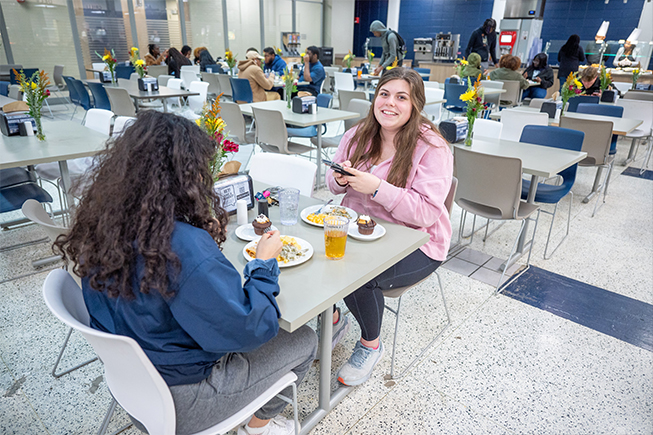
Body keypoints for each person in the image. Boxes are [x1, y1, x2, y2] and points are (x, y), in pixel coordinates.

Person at [54, 111, 317, 435]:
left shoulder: (102, 226)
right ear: (189, 175)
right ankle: (259, 425)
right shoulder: (183, 248)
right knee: (304, 338)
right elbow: (253, 328)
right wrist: (263, 265)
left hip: (133, 385)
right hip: (183, 401)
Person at [325, 68, 453, 387]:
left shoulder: (432, 147)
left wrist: (376, 188)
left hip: (417, 243)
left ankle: (371, 344)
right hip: (360, 232)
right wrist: (339, 178)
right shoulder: (357, 135)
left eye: (401, 97)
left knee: (358, 277)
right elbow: (332, 182)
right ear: (374, 97)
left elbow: (425, 213)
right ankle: (335, 319)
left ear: (415, 105)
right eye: (384, 94)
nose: (390, 103)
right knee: (320, 256)